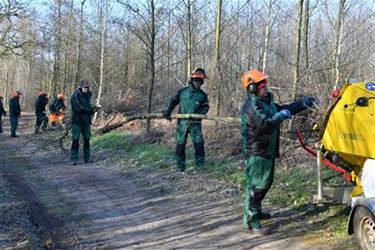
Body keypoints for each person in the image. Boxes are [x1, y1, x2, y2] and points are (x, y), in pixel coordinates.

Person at [241, 69, 315, 235]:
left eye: (265, 83)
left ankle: (254, 213)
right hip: (257, 151)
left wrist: (302, 104)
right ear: (252, 88)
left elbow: (283, 108)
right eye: (261, 85)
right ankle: (253, 221)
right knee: (259, 186)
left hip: (267, 149)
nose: (265, 87)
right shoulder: (251, 106)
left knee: (261, 184)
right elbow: (265, 124)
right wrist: (281, 116)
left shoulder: (266, 102)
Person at [163, 68, 210, 171]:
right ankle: (180, 166)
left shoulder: (202, 95)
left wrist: (198, 114)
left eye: (200, 82)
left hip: (195, 124)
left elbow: (206, 107)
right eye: (198, 82)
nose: (200, 84)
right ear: (194, 80)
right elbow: (173, 101)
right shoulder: (182, 92)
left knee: (199, 145)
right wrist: (168, 111)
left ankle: (200, 167)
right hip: (182, 123)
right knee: (180, 145)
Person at [70, 80, 99, 165]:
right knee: (75, 140)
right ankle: (74, 159)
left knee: (87, 140)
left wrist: (94, 110)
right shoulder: (75, 96)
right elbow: (77, 108)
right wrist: (89, 110)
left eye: (87, 87)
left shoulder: (88, 96)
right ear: (81, 87)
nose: (86, 89)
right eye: (84, 87)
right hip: (77, 121)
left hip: (86, 121)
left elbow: (89, 109)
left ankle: (87, 158)